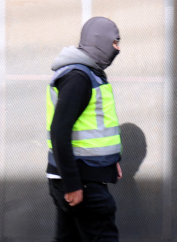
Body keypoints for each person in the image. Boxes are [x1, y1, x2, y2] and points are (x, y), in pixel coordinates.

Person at [46, 16, 123, 241]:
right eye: (115, 42)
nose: (118, 49)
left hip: (80, 177)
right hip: (81, 182)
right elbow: (60, 131)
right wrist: (73, 184)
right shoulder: (78, 77)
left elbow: (93, 129)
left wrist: (109, 162)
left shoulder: (87, 74)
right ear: (100, 41)